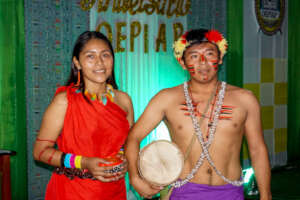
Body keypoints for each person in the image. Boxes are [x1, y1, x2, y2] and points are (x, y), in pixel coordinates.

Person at [125, 29, 271, 200]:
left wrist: (266, 195)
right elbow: (133, 138)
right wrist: (135, 178)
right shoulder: (167, 99)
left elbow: (257, 150)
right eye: (194, 56)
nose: (203, 62)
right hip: (183, 191)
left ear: (220, 57)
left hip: (230, 192)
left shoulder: (245, 99)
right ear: (182, 62)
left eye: (209, 54)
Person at [33, 31, 134, 200]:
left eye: (105, 55)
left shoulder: (123, 100)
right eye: (90, 56)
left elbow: (128, 144)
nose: (99, 62)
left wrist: (123, 160)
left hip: (114, 191)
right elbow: (40, 152)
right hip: (72, 191)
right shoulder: (64, 101)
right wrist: (84, 162)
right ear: (77, 63)